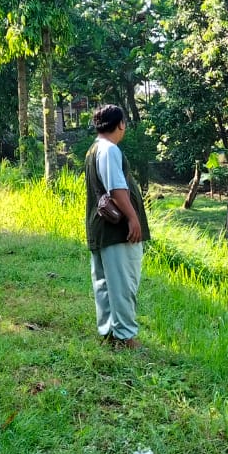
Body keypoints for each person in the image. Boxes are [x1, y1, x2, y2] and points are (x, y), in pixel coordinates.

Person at [84, 104, 149, 350]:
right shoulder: (110, 149)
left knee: (104, 283)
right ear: (120, 124)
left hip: (100, 227)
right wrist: (133, 218)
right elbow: (117, 189)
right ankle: (125, 337)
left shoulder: (94, 149)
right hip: (117, 228)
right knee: (123, 284)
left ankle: (109, 332)